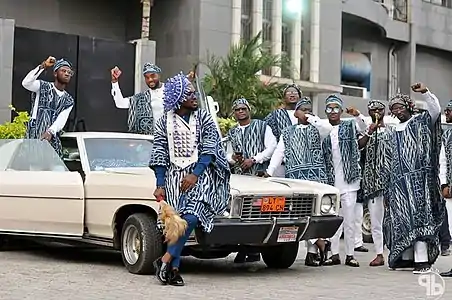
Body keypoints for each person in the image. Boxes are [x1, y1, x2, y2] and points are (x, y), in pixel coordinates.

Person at [149, 72, 230, 286]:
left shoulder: (203, 117)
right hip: (174, 178)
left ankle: (164, 259)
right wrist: (160, 183)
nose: (195, 97)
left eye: (195, 93)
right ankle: (173, 270)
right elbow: (159, 152)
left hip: (199, 176)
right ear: (178, 98)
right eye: (190, 94)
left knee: (192, 217)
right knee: (176, 224)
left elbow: (210, 147)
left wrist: (195, 174)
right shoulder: (163, 122)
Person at [383, 83, 444, 274]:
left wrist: (425, 92)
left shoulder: (421, 121)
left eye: (401, 107)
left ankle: (422, 260)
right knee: (402, 220)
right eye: (394, 109)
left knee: (419, 220)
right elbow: (387, 159)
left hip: (419, 180)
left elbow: (436, 109)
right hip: (398, 183)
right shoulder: (391, 130)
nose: (398, 111)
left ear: (409, 106)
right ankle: (406, 258)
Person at [265, 96, 333, 266]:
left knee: (316, 214)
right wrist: (269, 171)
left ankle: (312, 254)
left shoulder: (318, 129)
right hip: (295, 178)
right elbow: (279, 153)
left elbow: (328, 128)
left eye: (309, 110)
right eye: (303, 110)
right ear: (295, 113)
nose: (307, 113)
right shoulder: (287, 132)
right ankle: (320, 243)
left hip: (316, 176)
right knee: (300, 214)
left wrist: (309, 117)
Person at [226, 98, 277, 263]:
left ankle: (254, 250)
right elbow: (227, 154)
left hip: (259, 175)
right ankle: (244, 248)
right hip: (240, 178)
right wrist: (234, 158)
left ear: (248, 110)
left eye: (243, 108)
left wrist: (254, 159)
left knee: (258, 212)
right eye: (237, 109)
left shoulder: (262, 126)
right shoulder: (232, 132)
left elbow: (271, 147)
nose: (240, 111)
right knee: (241, 213)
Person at [321, 95, 367, 268]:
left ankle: (350, 255)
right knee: (333, 221)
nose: (332, 112)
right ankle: (334, 255)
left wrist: (357, 114)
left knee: (349, 220)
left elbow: (364, 127)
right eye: (329, 108)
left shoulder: (349, 124)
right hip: (330, 183)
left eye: (335, 108)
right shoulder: (323, 128)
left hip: (349, 181)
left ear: (341, 110)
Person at [356, 100, 390, 266]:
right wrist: (369, 132)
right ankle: (379, 253)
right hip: (372, 183)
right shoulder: (367, 131)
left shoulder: (392, 131)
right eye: (373, 110)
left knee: (393, 221)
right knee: (376, 222)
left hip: (390, 183)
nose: (376, 112)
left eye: (379, 109)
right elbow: (358, 147)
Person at [21, 56, 75, 157]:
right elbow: (26, 83)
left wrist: (51, 131)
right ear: (55, 73)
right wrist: (43, 66)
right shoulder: (42, 86)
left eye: (69, 72)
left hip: (52, 139)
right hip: (34, 138)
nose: (67, 73)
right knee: (35, 169)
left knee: (57, 169)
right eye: (63, 70)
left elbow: (61, 120)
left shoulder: (69, 100)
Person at [110, 63, 164, 135]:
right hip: (150, 139)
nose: (150, 79)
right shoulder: (142, 98)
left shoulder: (172, 92)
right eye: (146, 77)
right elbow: (120, 103)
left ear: (159, 75)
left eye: (153, 76)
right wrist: (115, 82)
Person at [264, 84, 302, 177]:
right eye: (289, 93)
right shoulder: (275, 115)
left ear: (300, 96)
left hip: (301, 163)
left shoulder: (307, 115)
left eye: (295, 93)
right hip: (281, 163)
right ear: (284, 97)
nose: (292, 95)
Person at [439, 100, 452, 258]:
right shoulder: (447, 134)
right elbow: (443, 161)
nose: (446, 113)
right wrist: (444, 184)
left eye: (449, 110)